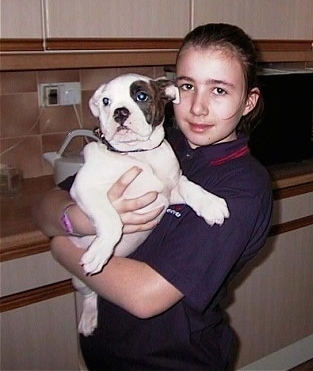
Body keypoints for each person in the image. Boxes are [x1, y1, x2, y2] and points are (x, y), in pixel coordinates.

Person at [33, 23, 273, 370]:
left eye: (219, 90)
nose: (198, 108)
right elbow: (43, 207)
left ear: (248, 101)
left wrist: (62, 246)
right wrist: (79, 218)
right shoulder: (155, 142)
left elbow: (146, 297)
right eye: (188, 86)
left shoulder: (243, 186)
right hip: (104, 351)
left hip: (171, 361)